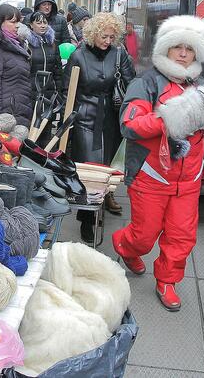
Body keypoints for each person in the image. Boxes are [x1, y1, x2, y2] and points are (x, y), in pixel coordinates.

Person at [112, 15, 204, 312]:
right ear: (166, 49)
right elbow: (129, 126)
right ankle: (125, 244)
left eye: (189, 48)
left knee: (181, 236)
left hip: (188, 178)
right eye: (177, 47)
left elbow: (200, 128)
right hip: (151, 175)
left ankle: (167, 281)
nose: (183, 53)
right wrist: (168, 117)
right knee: (144, 236)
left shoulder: (198, 85)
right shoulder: (146, 82)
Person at [65, 12, 135, 238]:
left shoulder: (118, 54)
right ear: (93, 34)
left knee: (106, 168)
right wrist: (69, 121)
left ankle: (100, 208)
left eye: (112, 37)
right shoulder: (79, 56)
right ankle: (87, 219)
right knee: (90, 170)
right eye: (104, 36)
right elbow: (68, 89)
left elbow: (130, 81)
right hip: (86, 117)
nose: (108, 41)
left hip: (111, 118)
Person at [23, 11, 62, 145]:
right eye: (38, 22)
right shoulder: (26, 44)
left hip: (48, 93)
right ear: (31, 25)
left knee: (46, 128)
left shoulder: (52, 43)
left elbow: (57, 69)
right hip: (32, 92)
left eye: (45, 22)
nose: (42, 25)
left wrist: (59, 92)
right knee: (32, 128)